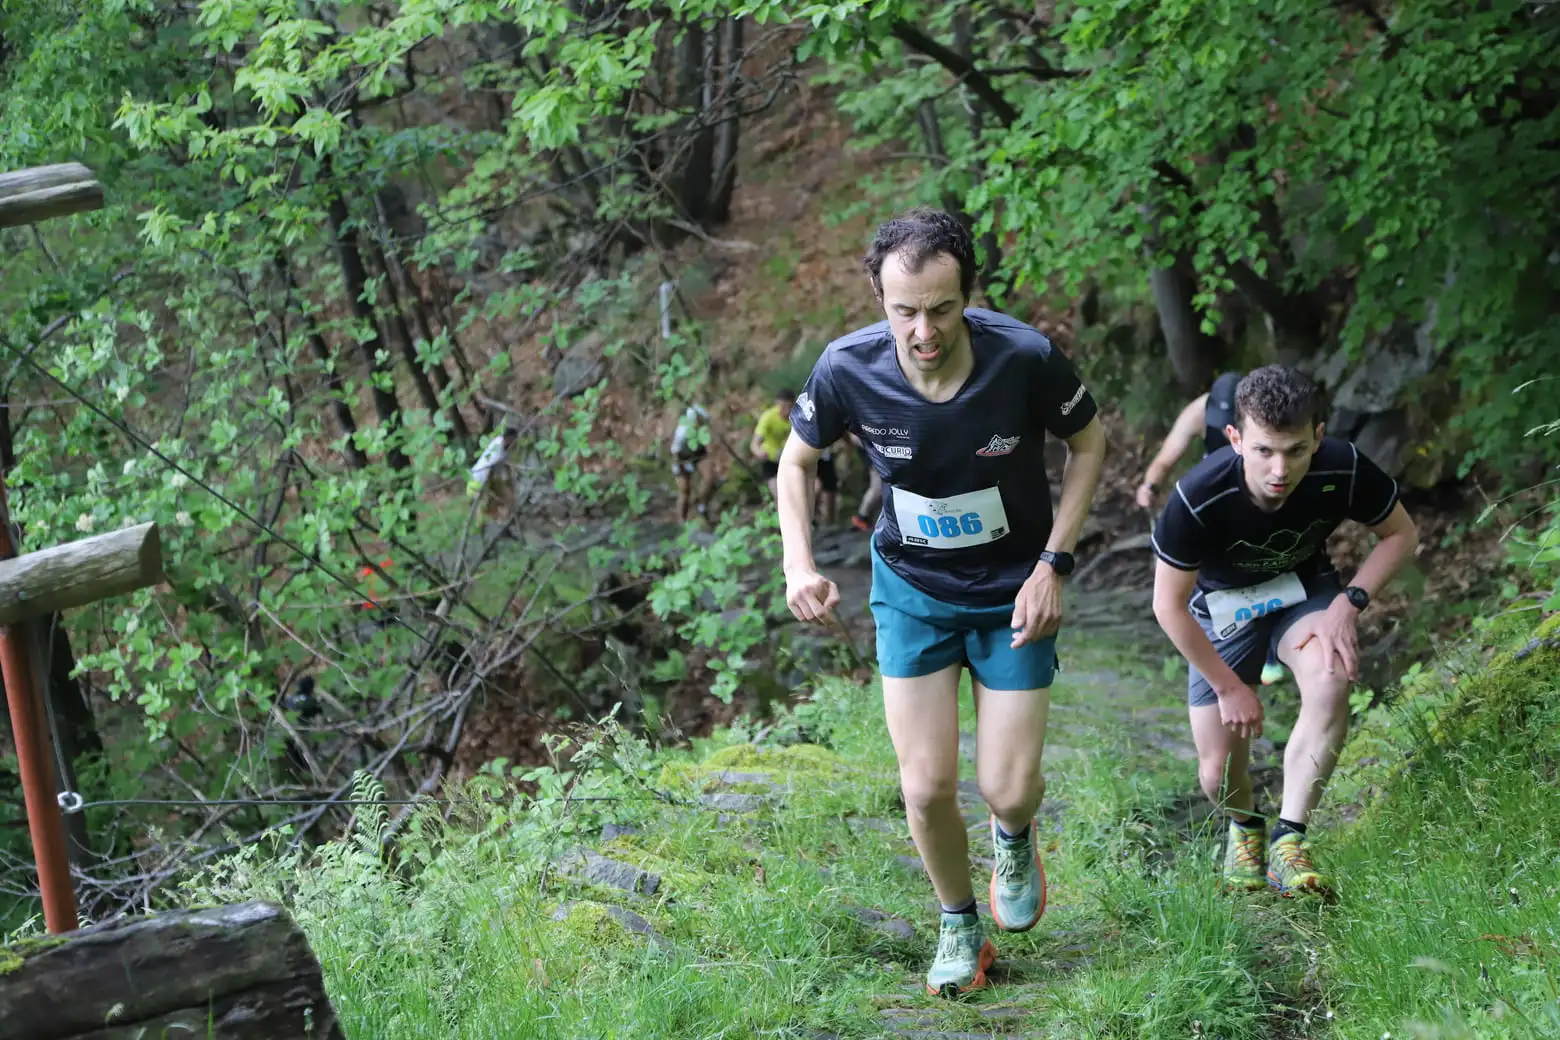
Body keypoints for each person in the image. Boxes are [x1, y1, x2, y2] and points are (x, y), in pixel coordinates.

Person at [776, 208, 1107, 997]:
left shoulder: (1023, 359)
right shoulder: (847, 369)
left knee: (1009, 787)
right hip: (913, 590)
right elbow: (795, 464)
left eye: (941, 309)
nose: (923, 331)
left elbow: (1089, 443)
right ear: (878, 299)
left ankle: (1013, 834)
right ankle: (960, 924)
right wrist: (800, 562)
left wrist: (1054, 562)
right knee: (923, 785)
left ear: (968, 296)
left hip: (1012, 592)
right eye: (904, 312)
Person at [1150, 365, 1418, 898]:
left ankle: (1289, 840)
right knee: (1217, 774)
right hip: (1222, 611)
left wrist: (1350, 602)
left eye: (1296, 451)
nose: (1280, 469)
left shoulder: (1340, 466)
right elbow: (1168, 605)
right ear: (1235, 439)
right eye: (1264, 451)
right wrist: (1230, 687)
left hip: (1304, 592)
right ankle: (1245, 824)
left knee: (1331, 676)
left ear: (1317, 436)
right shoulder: (1197, 496)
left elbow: (1401, 535)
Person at [1137, 372, 1286, 686]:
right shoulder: (1197, 412)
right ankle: (1215, 642)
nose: (1220, 427)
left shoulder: (1263, 413)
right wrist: (1150, 484)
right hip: (1216, 496)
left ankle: (1271, 646)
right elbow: (1166, 458)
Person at [468, 421, 520, 519]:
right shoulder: (497, 449)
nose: (515, 444)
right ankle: (480, 525)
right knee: (483, 504)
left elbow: (505, 466)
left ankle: (511, 517)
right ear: (510, 440)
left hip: (490, 477)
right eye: (514, 441)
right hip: (480, 477)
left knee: (507, 496)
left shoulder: (503, 446)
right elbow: (493, 466)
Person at [670, 404, 712, 524]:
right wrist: (682, 467)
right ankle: (681, 519)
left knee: (709, 478)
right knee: (685, 491)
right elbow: (675, 454)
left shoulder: (702, 425)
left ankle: (702, 506)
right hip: (681, 457)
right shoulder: (682, 433)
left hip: (698, 451)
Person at [750, 389, 796, 498]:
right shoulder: (768, 417)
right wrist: (758, 452)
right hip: (771, 460)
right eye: (783, 407)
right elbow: (755, 443)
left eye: (790, 406)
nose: (787, 410)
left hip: (789, 459)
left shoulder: (796, 417)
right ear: (777, 404)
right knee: (779, 494)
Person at [848, 432, 884, 532]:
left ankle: (864, 516)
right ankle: (862, 516)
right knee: (877, 487)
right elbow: (854, 437)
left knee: (878, 487)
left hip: (873, 450)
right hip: (872, 452)